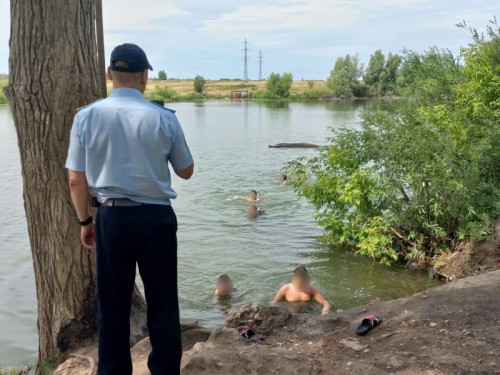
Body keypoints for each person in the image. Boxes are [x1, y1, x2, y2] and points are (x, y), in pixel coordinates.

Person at [65, 43, 194, 375]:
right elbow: (186, 170)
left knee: (112, 304)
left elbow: (75, 180)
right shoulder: (164, 117)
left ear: (109, 74)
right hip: (155, 219)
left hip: (110, 217)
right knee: (163, 303)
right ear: (144, 77)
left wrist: (85, 221)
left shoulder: (86, 116)